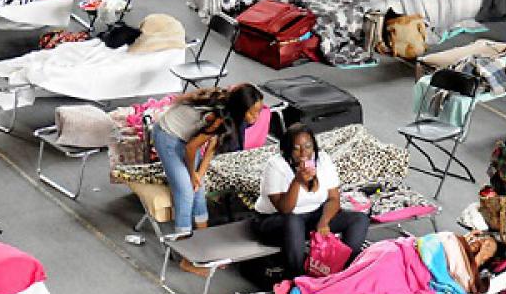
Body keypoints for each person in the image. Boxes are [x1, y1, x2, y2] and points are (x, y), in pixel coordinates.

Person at [153, 84, 264, 273]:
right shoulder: (217, 118)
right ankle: (186, 258)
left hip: (187, 138)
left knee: (199, 190)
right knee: (186, 192)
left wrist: (199, 174)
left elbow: (212, 146)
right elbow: (190, 149)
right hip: (167, 136)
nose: (256, 117)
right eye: (253, 113)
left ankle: (203, 248)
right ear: (240, 109)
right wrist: (192, 174)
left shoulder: (228, 118)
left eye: (258, 112)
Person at [252, 123, 371, 277]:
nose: (303, 153)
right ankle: (297, 277)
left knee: (359, 219)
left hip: (312, 218)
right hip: (275, 222)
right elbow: (285, 209)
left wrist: (324, 221)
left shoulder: (323, 160)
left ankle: (342, 270)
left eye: (308, 146)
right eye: (296, 148)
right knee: (293, 221)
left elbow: (334, 199)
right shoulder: (276, 165)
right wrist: (297, 181)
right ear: (287, 150)